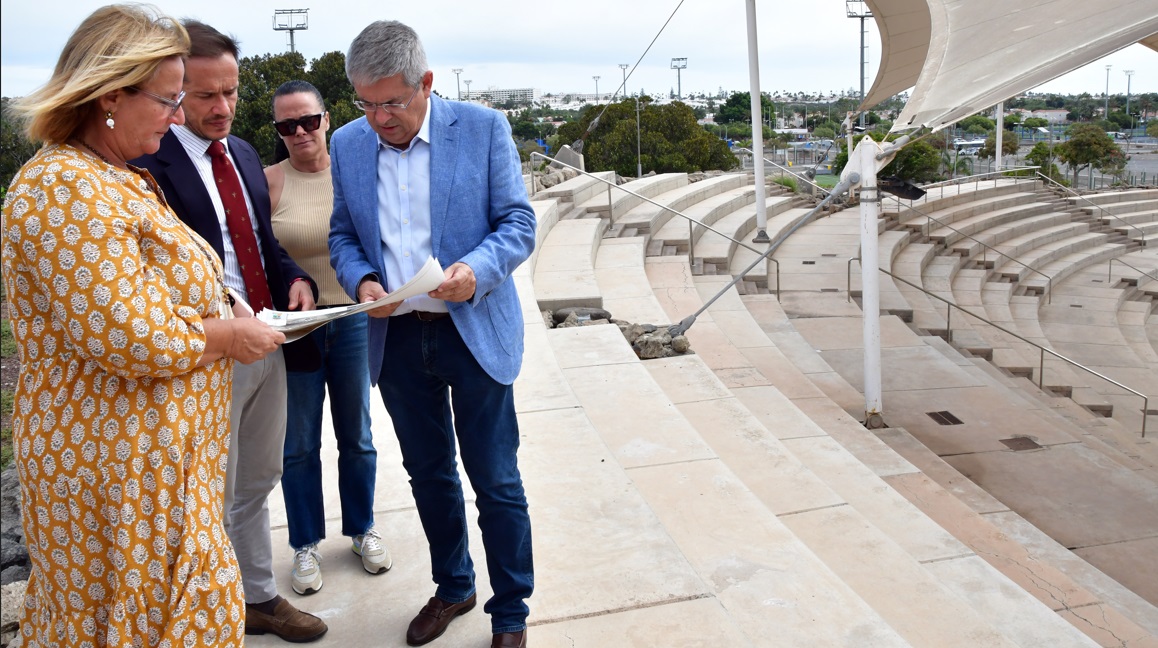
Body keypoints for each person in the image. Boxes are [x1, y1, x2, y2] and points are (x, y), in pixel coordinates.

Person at [0, 5, 287, 646]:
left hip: (157, 470)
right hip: (117, 476)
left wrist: (222, 303)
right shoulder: (62, 189)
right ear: (109, 96)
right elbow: (134, 336)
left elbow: (152, 292)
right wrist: (228, 336)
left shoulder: (114, 178)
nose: (179, 116)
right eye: (167, 100)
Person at [329, 20, 537, 648]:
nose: (378, 118)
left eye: (391, 102)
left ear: (425, 82)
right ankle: (454, 585)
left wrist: (477, 270)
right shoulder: (347, 143)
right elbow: (344, 233)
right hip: (396, 340)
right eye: (366, 104)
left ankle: (510, 612)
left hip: (471, 332)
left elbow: (518, 221)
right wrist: (362, 279)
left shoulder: (482, 129)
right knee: (428, 472)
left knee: (495, 479)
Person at [132, 20, 327, 643]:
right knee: (206, 492)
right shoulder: (144, 165)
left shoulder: (242, 153)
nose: (223, 108)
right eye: (205, 95)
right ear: (173, 91)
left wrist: (296, 279)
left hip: (269, 339)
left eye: (233, 92)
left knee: (258, 478)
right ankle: (206, 616)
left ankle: (258, 597)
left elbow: (263, 247)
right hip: (204, 355)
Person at [265, 80, 387, 595]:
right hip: (298, 326)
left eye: (308, 121)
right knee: (299, 442)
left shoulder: (355, 173)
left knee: (356, 434)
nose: (299, 132)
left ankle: (361, 529)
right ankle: (304, 544)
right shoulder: (269, 181)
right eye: (286, 125)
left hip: (353, 317)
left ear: (327, 120)